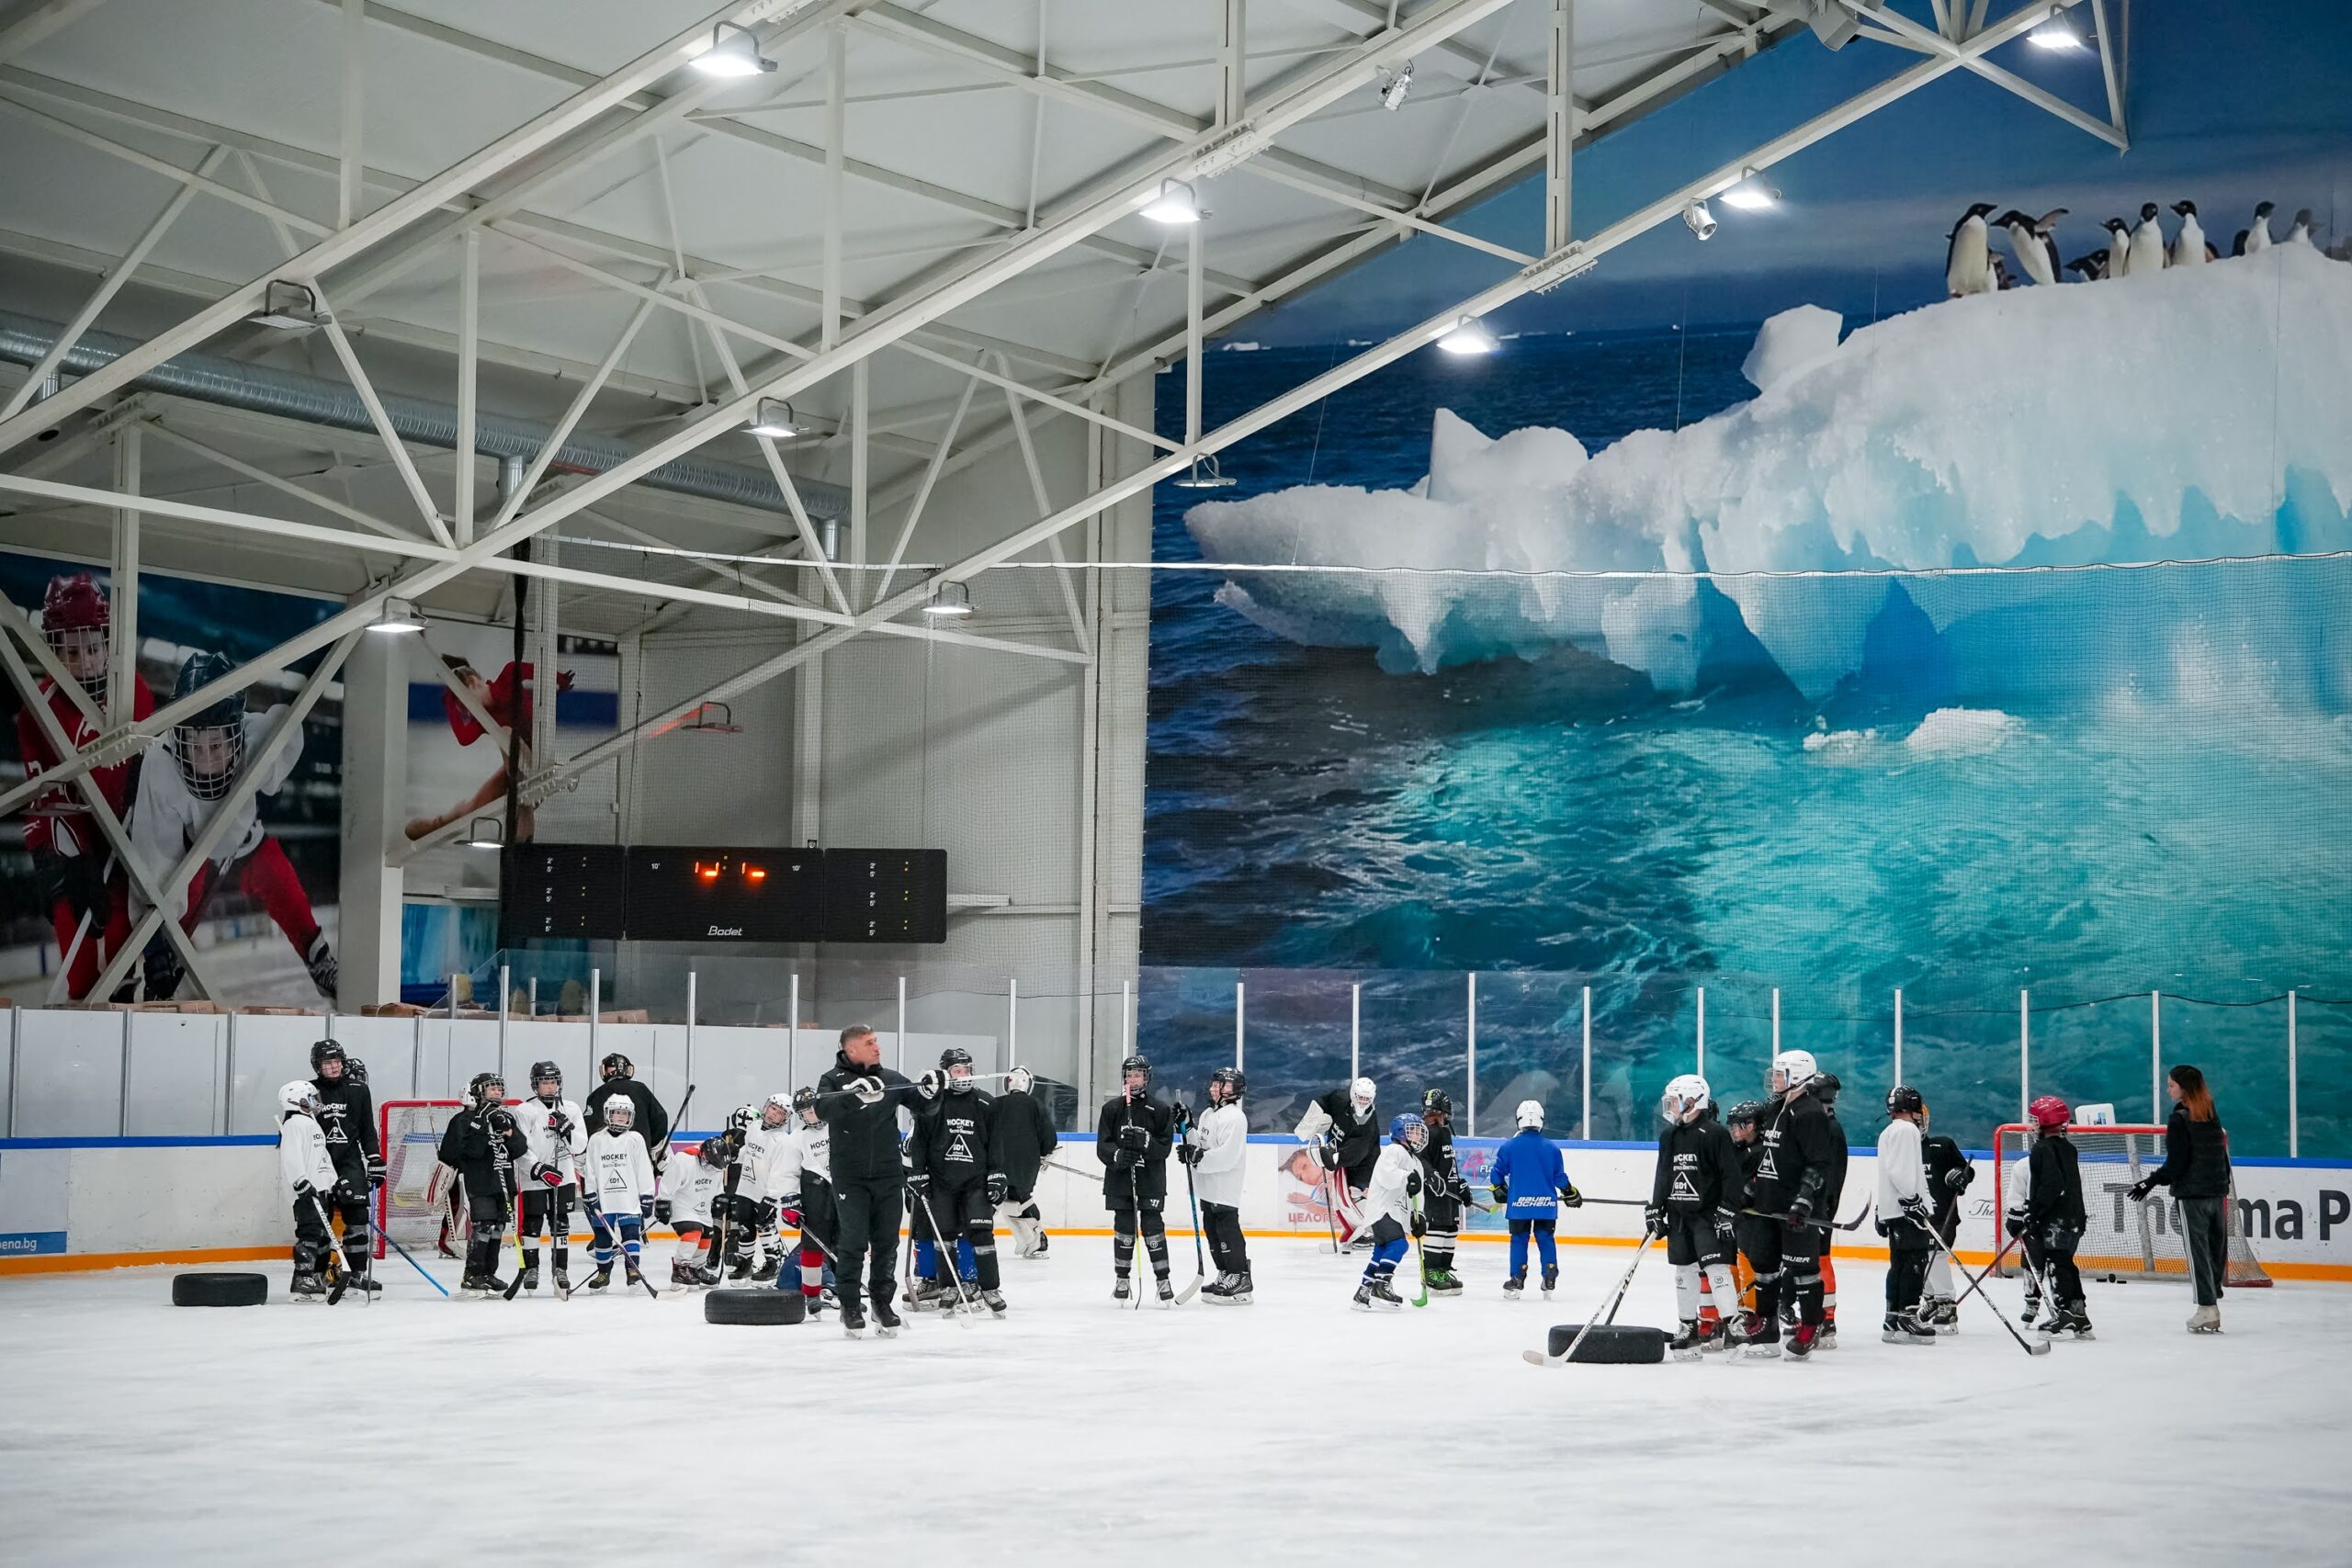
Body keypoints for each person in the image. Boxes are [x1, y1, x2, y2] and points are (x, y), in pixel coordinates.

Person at [128, 650, 335, 998]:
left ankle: (318, 957)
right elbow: (153, 855)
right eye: (195, 746)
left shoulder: (258, 738)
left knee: (279, 879)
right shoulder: (159, 764)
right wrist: (155, 942)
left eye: (216, 745)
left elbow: (285, 727)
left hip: (244, 842)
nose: (207, 760)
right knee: (173, 924)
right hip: (192, 855)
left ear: (237, 734)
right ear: (178, 737)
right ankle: (164, 965)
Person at [13, 571, 153, 999]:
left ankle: (123, 1001)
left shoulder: (133, 690)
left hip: (123, 832)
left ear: (107, 643)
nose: (87, 662)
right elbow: (50, 800)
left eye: (93, 648)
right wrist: (75, 863)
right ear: (53, 651)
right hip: (64, 839)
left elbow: (149, 769)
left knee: (122, 963)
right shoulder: (36, 713)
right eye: (72, 652)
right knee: (81, 975)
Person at [814, 1023, 923, 1337]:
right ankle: (850, 1305)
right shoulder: (832, 1080)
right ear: (851, 1049)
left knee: (887, 1242)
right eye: (870, 1043)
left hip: (888, 1174)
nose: (877, 1047)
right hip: (850, 1177)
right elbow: (822, 1109)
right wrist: (855, 1095)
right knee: (853, 1241)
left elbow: (925, 1106)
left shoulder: (891, 1078)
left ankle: (882, 1304)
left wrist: (932, 1089)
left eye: (876, 1041)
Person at [402, 653, 569, 841]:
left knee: (506, 732)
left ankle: (524, 804)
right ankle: (438, 824)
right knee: (474, 810)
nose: (467, 709)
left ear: (474, 682)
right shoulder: (483, 717)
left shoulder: (508, 676)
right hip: (517, 771)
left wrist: (560, 679)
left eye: (464, 701)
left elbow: (536, 671)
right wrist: (449, 697)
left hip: (538, 762)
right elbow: (464, 738)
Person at [1748, 1050, 1845, 1360]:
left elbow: (1819, 1162)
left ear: (1799, 1076)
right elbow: (1767, 1154)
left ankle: (1812, 1325)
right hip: (1768, 1204)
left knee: (1803, 1268)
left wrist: (1804, 1199)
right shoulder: (1776, 1108)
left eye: (1781, 1074)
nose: (1775, 1079)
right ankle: (1767, 1324)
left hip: (1795, 1208)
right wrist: (1750, 1188)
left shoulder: (1810, 1112)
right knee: (1764, 1266)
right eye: (1775, 1073)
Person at [2129, 1064, 2233, 1334]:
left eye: (2171, 1085)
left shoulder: (2179, 1119)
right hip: (2216, 1191)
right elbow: (2220, 1156)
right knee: (2214, 1250)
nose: (2168, 1090)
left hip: (2192, 1195)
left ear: (2184, 1088)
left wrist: (2150, 1181)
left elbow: (2176, 1164)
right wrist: (2222, 1184)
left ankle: (2206, 1308)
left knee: (2198, 1252)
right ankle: (2211, 1302)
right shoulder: (2209, 1112)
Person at [1650, 1075, 1747, 1359]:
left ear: (1692, 1101)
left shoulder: (1715, 1134)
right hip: (1679, 1216)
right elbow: (1663, 1174)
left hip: (1709, 1216)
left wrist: (1728, 1210)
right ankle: (1688, 1328)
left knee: (1716, 1269)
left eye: (1675, 1100)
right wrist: (1655, 1208)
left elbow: (1731, 1176)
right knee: (1683, 1271)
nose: (1670, 1105)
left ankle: (1733, 1326)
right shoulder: (1669, 1135)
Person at [905, 1047, 1006, 1316]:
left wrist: (997, 1174)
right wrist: (918, 1172)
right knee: (945, 1235)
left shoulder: (986, 1103)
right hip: (942, 1182)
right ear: (946, 1073)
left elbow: (995, 1143)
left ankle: (990, 1288)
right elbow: (920, 1141)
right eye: (957, 1071)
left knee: (982, 1233)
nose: (963, 1076)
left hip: (976, 1181)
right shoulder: (932, 1104)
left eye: (967, 1070)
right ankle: (948, 1286)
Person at [437, 1072, 527, 1297]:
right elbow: (464, 1153)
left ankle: (488, 1273)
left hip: (503, 1181)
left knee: (498, 1228)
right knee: (484, 1226)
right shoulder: (463, 1120)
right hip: (480, 1182)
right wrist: (481, 1125)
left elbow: (520, 1149)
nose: (497, 1092)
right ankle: (472, 1274)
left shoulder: (504, 1117)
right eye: (492, 1088)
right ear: (479, 1092)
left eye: (499, 1088)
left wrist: (508, 1132)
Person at [1097, 1054, 1176, 1304]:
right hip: (1120, 1180)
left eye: (1138, 1075)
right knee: (1124, 1227)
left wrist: (1146, 1142)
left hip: (1151, 1180)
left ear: (1146, 1078)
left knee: (1153, 1227)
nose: (1133, 1079)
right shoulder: (1111, 1109)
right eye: (1129, 1075)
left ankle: (1163, 1279)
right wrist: (1118, 1155)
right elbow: (1103, 1146)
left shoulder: (1160, 1110)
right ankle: (1122, 1279)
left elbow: (1164, 1149)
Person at [2009, 1094, 2090, 1338]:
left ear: (2044, 1122)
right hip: (2074, 1218)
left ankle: (2065, 1313)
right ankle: (2079, 1314)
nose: (2032, 1124)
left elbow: (2052, 1184)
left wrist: (2034, 1211)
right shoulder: (2069, 1148)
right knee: (2066, 1262)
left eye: (2034, 1119)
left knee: (2057, 1263)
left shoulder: (2041, 1148)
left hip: (2056, 1220)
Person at [305, 1038, 379, 1292]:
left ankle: (357, 1272)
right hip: (319, 1162)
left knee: (358, 1216)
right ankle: (318, 1274)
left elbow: (367, 1129)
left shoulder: (359, 1089)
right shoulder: (309, 1091)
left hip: (349, 1161)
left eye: (336, 1061)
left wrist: (375, 1159)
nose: (333, 1067)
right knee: (319, 1220)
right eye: (327, 1063)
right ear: (317, 1066)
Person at [1490, 1099, 1580, 1298]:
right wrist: (1570, 1191)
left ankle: (1517, 1278)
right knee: (1546, 1238)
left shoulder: (1509, 1147)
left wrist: (1498, 1187)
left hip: (1519, 1204)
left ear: (1518, 1120)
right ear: (1541, 1119)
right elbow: (1559, 1177)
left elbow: (1497, 1173)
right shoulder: (1552, 1148)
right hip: (1546, 1205)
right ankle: (1550, 1275)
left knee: (1519, 1239)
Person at [1874, 1087, 1939, 1346]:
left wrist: (1882, 1209)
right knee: (1914, 1262)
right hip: (1906, 1210)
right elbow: (1900, 1171)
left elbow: (1888, 1171)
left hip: (1894, 1209)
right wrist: (1912, 1200)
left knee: (1899, 1264)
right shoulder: (1906, 1130)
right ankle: (1908, 1315)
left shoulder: (1889, 1131)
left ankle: (1892, 1318)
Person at [514, 1061, 586, 1294]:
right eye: (544, 1082)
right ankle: (531, 1269)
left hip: (563, 1178)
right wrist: (538, 1168)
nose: (550, 1086)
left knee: (560, 1223)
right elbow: (520, 1147)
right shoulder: (525, 1111)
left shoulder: (571, 1109)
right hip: (534, 1179)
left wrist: (567, 1130)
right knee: (532, 1223)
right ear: (535, 1085)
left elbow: (580, 1146)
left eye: (553, 1082)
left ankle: (561, 1269)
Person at [1182, 1066, 1251, 1303]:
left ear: (1234, 1090)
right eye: (1213, 1084)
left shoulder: (1235, 1117)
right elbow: (1201, 1144)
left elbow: (1227, 1155)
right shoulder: (1207, 1115)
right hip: (1208, 1185)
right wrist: (1187, 1126)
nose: (1214, 1088)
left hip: (1225, 1185)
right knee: (1211, 1229)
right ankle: (1224, 1272)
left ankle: (1240, 1277)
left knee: (1227, 1230)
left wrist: (1197, 1157)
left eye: (1221, 1084)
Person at [278, 1079, 350, 1302]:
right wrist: (300, 1181)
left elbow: (322, 1158)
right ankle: (301, 1280)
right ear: (296, 1101)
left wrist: (334, 1181)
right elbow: (291, 1156)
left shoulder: (311, 1123)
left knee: (322, 1236)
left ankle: (317, 1276)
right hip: (306, 1191)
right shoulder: (294, 1124)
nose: (316, 1102)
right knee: (309, 1233)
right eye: (311, 1098)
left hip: (321, 1188)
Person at [768, 1087, 835, 1314]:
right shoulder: (796, 1138)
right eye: (805, 1112)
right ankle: (812, 1293)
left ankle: (844, 1289)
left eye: (813, 1109)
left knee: (848, 1243)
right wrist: (790, 1201)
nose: (810, 1114)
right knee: (812, 1245)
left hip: (844, 1190)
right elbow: (786, 1173)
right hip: (814, 1194)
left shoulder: (840, 1126)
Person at [1352, 1113, 1429, 1311]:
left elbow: (1418, 1194)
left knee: (1381, 1251)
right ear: (1401, 1132)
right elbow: (1387, 1175)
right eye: (1414, 1131)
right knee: (1399, 1245)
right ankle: (1382, 1284)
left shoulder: (1417, 1163)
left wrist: (1419, 1216)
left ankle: (1363, 1292)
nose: (1419, 1135)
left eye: (1420, 1131)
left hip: (1396, 1214)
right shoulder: (1393, 1150)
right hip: (1382, 1210)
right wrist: (1407, 1177)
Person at [584, 1092, 657, 1292]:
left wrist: (647, 1195)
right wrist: (590, 1193)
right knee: (602, 1237)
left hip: (628, 1198)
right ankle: (603, 1273)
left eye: (625, 1114)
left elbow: (644, 1168)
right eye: (617, 1113)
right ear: (608, 1114)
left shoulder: (635, 1139)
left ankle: (632, 1271)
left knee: (631, 1233)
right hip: (604, 1198)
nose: (621, 1117)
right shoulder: (596, 1140)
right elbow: (590, 1168)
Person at [1295, 1077, 1379, 1242]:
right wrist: (1314, 1117)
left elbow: (1356, 1154)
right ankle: (1355, 1231)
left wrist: (1330, 1157)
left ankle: (1370, 1232)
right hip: (1343, 1159)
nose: (1363, 1102)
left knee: (1354, 1195)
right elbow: (1324, 1101)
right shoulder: (1340, 1099)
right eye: (1360, 1097)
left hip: (1363, 1164)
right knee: (1339, 1200)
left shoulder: (1367, 1125)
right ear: (1352, 1094)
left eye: (1367, 1099)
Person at [1918, 1099, 1974, 1331]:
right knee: (1918, 1259)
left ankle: (1947, 1303)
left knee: (1936, 1255)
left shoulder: (1942, 1145)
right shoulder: (1901, 1150)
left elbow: (1967, 1170)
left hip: (1942, 1216)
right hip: (1916, 1217)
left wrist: (1961, 1175)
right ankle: (1931, 1299)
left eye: (1920, 1120)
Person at [992, 1066, 1058, 1259]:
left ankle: (1034, 1241)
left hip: (998, 1161)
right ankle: (1037, 1241)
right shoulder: (1035, 1104)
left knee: (1003, 1200)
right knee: (1021, 1198)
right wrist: (1044, 1153)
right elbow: (1049, 1138)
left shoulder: (996, 1104)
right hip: (1026, 1164)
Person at [1417, 1089, 1471, 1296]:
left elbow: (1448, 1164)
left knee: (1450, 1228)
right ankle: (1430, 1270)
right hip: (1435, 1192)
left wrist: (1459, 1185)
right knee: (1438, 1227)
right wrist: (1431, 1176)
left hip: (1449, 1191)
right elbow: (1420, 1159)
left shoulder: (1443, 1132)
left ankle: (1442, 1269)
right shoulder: (1427, 1132)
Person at [664, 1134, 729, 1288]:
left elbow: (717, 1186)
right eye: (711, 1166)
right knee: (693, 1231)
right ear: (704, 1155)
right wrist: (663, 1202)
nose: (714, 1170)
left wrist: (720, 1198)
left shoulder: (717, 1163)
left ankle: (696, 1268)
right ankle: (680, 1269)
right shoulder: (683, 1160)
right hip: (682, 1205)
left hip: (702, 1207)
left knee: (708, 1234)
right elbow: (668, 1181)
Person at [583, 1054, 670, 1158]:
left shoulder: (597, 1094)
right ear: (628, 1070)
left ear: (605, 1071)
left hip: (606, 1159)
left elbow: (588, 1128)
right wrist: (651, 1147)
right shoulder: (642, 1090)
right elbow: (660, 1119)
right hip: (639, 1156)